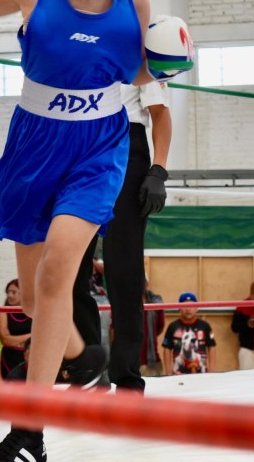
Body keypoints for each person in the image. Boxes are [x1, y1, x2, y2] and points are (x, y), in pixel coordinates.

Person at [0, 0, 194, 461]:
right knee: (33, 301)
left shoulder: (136, 1)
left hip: (99, 150)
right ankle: (82, 354)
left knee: (59, 276)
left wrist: (169, 71)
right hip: (32, 148)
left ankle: (28, 432)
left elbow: (138, 79)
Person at [74, 81, 171, 393]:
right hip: (80, 143)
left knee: (124, 271)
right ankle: (89, 370)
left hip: (126, 142)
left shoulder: (137, 47)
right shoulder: (80, 49)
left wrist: (158, 170)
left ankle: (127, 377)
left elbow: (160, 112)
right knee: (72, 271)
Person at [162, 292, 217, 375]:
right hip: (178, 376)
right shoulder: (173, 326)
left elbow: (211, 347)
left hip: (202, 375)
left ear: (197, 308)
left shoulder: (205, 326)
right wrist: (168, 371)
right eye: (184, 305)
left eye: (191, 305)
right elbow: (167, 348)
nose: (188, 309)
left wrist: (212, 370)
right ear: (179, 308)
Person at [0, 279, 31, 379]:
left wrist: (14, 339)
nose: (10, 295)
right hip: (9, 358)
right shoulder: (3, 312)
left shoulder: (33, 311)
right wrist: (30, 336)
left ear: (23, 293)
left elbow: (40, 335)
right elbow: (5, 340)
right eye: (8, 292)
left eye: (14, 292)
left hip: (29, 357)